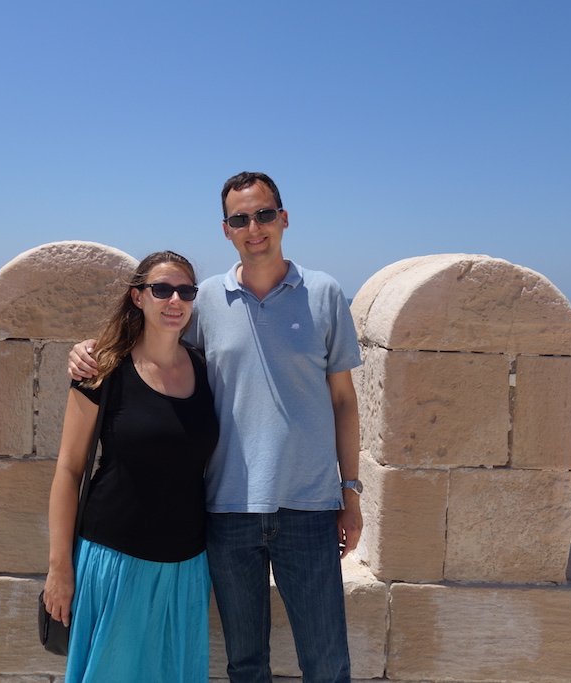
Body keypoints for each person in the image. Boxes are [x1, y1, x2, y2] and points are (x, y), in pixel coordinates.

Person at [69, 172, 363, 682]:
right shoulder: (204, 299)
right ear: (226, 229)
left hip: (310, 507)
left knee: (328, 662)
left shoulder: (324, 294)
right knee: (245, 665)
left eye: (264, 214)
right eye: (240, 218)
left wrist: (351, 493)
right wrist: (89, 349)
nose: (254, 227)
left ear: (284, 219)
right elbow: (157, 349)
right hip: (227, 512)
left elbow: (343, 401)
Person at [46, 251, 220, 682]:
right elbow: (68, 470)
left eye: (185, 291)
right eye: (161, 289)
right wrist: (59, 568)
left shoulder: (206, 368)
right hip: (115, 560)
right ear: (138, 297)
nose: (174, 300)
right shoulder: (101, 368)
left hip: (186, 565)